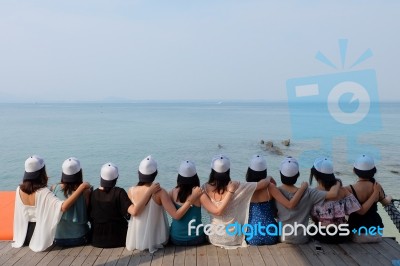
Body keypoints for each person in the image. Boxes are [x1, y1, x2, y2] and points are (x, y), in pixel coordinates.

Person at [12, 155, 90, 252]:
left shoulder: (19, 190)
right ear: (42, 172)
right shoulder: (44, 192)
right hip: (39, 236)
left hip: (24, 235)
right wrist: (81, 187)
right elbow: (63, 207)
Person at [126, 156, 202, 253]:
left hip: (136, 240)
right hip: (158, 240)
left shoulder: (131, 191)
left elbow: (133, 212)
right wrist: (191, 199)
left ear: (138, 173)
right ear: (155, 174)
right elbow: (176, 215)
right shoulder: (160, 192)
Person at [202, 155, 271, 249]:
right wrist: (269, 178)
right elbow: (262, 184)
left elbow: (216, 211)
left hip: (215, 238)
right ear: (228, 171)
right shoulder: (237, 186)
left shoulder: (204, 188)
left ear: (212, 171)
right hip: (234, 238)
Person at [90, 162, 160, 248]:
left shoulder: (93, 194)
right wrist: (149, 192)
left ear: (101, 177)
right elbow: (134, 211)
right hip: (119, 239)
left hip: (96, 240)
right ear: (116, 178)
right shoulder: (119, 192)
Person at [169, 160, 238, 246]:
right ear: (195, 177)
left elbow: (174, 215)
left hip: (176, 239)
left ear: (179, 177)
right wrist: (230, 192)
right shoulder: (199, 194)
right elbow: (217, 211)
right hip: (196, 238)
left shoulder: (172, 193)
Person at [275, 156, 341, 244]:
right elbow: (333, 194)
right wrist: (338, 182)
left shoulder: (275, 193)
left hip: (281, 237)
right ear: (298, 174)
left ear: (280, 173)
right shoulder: (309, 193)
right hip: (302, 239)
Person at [245, 155, 308, 245]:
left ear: (249, 171)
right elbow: (289, 204)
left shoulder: (247, 188)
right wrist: (303, 188)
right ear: (265, 171)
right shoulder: (270, 187)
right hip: (271, 234)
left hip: (252, 236)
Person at [309, 157, 362, 244]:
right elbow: (356, 208)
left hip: (323, 235)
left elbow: (314, 217)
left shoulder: (313, 193)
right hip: (342, 234)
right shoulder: (343, 191)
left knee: (311, 229)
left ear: (315, 176)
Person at [346, 154, 392, 243]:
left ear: (354, 171)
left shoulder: (349, 189)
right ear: (374, 170)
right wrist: (390, 197)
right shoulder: (377, 186)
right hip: (377, 234)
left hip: (357, 234)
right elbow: (386, 203)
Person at [52, 157, 91, 247]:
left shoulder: (54, 188)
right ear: (80, 172)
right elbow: (88, 214)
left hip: (57, 239)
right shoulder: (86, 192)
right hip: (80, 238)